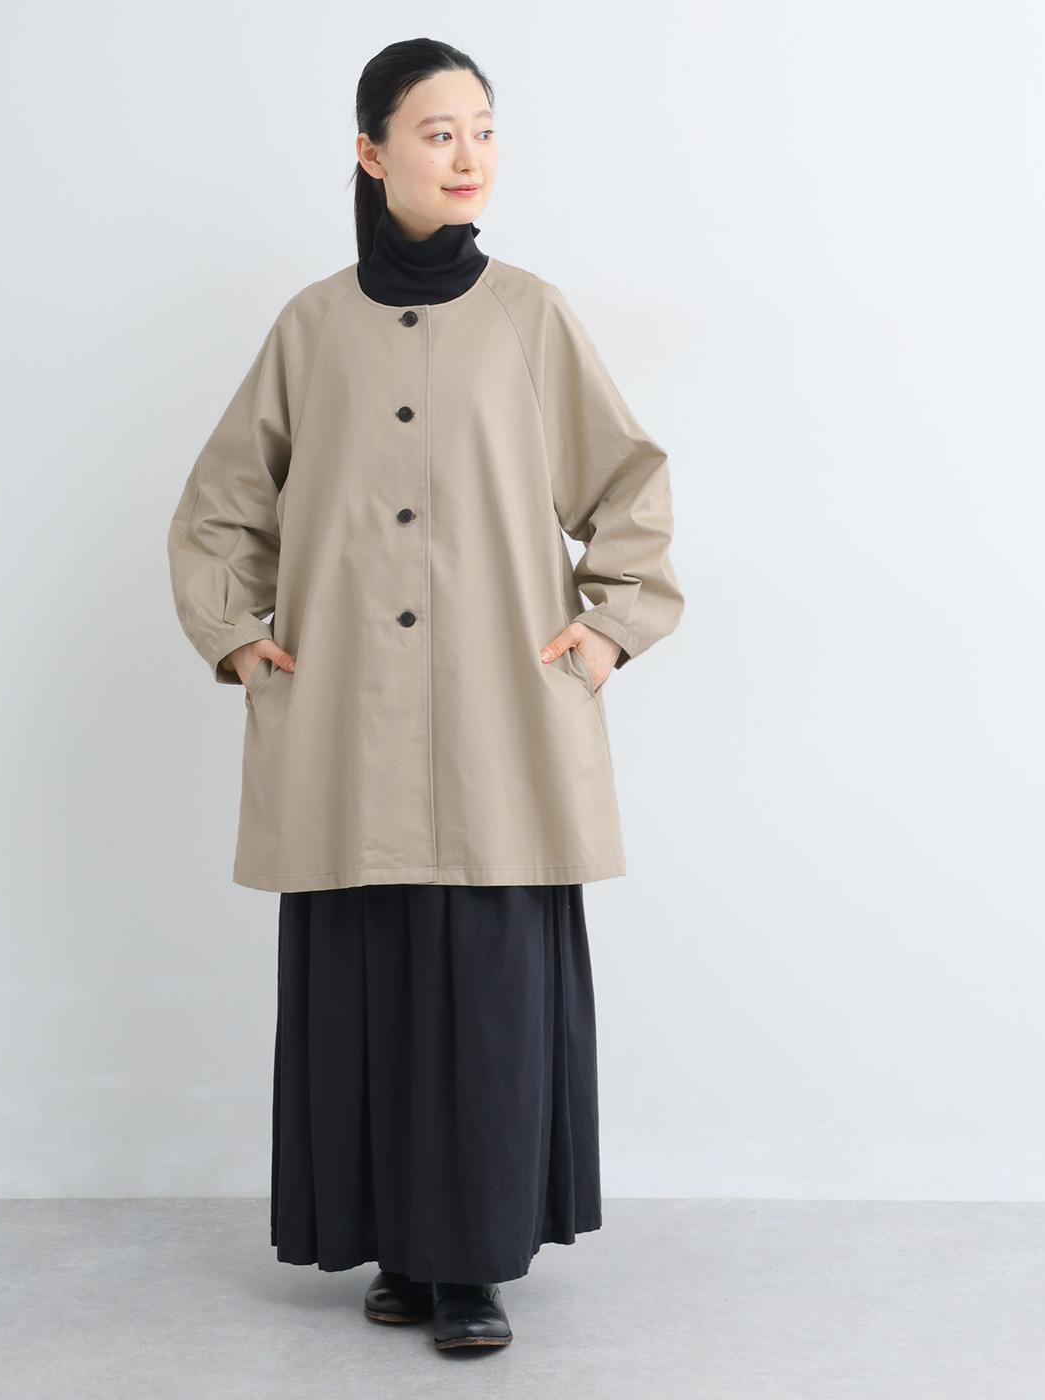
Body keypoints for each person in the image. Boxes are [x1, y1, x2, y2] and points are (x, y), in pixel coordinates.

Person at [166, 39, 684, 1354]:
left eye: (484, 131)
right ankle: (398, 1251)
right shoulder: (312, 327)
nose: (468, 157)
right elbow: (224, 503)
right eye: (439, 131)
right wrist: (235, 640)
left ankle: (472, 1265)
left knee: (489, 990)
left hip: (504, 720)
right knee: (367, 986)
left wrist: (609, 633)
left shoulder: (531, 318)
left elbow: (629, 485)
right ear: (371, 152)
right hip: (346, 721)